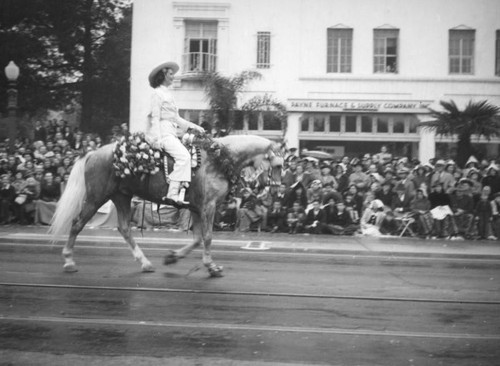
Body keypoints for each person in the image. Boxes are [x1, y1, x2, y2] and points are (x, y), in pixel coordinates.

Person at [147, 61, 204, 204]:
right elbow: (154, 117)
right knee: (184, 156)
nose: (173, 77)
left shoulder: (169, 95)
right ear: (163, 75)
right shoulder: (157, 93)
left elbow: (177, 119)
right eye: (171, 74)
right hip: (163, 134)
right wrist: (156, 140)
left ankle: (181, 192)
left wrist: (194, 126)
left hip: (171, 133)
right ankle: (172, 193)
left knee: (188, 155)